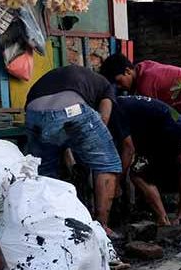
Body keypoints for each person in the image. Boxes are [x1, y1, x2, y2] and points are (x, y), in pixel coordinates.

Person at [101, 53, 181, 201]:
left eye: (119, 82)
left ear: (128, 71)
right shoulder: (141, 70)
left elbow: (155, 120)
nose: (120, 88)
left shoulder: (147, 81)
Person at [24, 64, 121, 235]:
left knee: (43, 171)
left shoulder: (63, 76)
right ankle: (101, 227)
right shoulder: (106, 86)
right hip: (71, 109)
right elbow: (103, 119)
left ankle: (50, 226)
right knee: (107, 163)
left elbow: (57, 129)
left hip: (33, 113)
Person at [111, 95, 181, 226]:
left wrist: (117, 181)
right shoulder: (122, 102)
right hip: (179, 125)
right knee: (180, 164)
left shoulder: (116, 110)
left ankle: (162, 218)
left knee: (138, 174)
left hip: (169, 132)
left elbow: (129, 149)